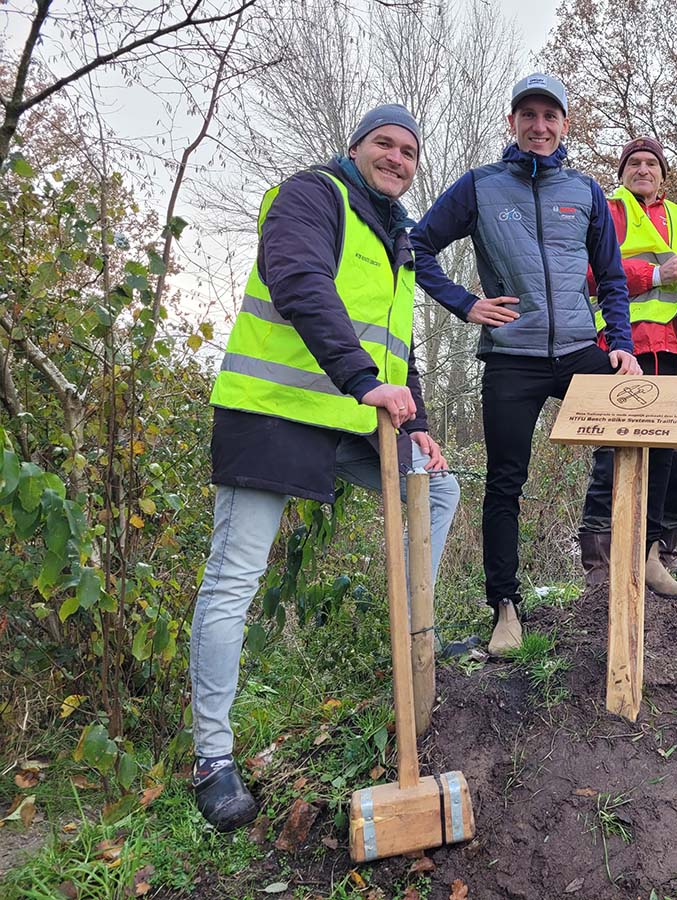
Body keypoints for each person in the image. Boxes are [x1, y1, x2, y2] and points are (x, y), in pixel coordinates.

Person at [192, 106, 460, 831]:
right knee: (235, 577)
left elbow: (395, 349)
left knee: (438, 490)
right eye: (384, 144)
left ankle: (416, 640)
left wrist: (419, 426)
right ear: (355, 147)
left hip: (353, 414)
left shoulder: (398, 237)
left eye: (409, 151)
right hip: (274, 413)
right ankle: (212, 757)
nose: (397, 158)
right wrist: (361, 379)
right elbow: (299, 280)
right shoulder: (312, 195)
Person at [411, 74, 640, 652]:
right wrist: (466, 303)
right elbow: (417, 246)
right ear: (512, 123)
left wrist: (620, 342)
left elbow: (611, 276)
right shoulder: (479, 187)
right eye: (529, 116)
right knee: (505, 482)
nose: (540, 126)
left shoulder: (585, 192)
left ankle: (645, 559)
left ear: (565, 124)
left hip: (580, 352)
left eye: (550, 116)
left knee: (648, 436)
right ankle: (505, 608)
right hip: (512, 357)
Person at [578, 136, 677, 599]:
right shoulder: (605, 211)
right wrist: (657, 274)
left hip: (674, 353)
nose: (643, 169)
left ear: (662, 173)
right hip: (619, 351)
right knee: (612, 457)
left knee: (669, 463)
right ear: (622, 173)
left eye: (651, 163)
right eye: (633, 163)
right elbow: (590, 275)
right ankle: (601, 566)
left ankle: (652, 556)